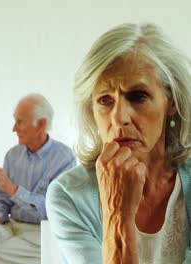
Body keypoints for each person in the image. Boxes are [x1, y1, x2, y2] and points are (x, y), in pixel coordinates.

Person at [46, 23, 191, 263]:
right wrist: (117, 215)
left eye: (138, 97)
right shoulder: (69, 195)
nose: (119, 118)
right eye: (105, 100)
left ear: (171, 101)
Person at [0, 94, 76, 264]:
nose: (14, 128)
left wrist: (15, 191)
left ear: (41, 124)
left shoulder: (64, 158)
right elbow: (2, 200)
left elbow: (55, 210)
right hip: (11, 226)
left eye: (20, 121)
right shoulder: (13, 155)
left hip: (41, 234)